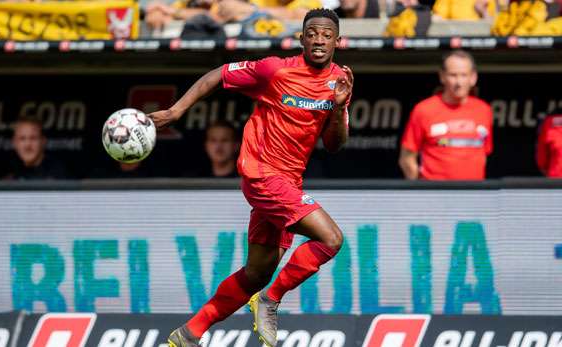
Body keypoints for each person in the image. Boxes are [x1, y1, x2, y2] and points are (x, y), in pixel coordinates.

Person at [149, 8, 352, 347]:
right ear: (301, 39)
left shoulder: (340, 83)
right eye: (312, 33)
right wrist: (175, 111)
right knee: (331, 239)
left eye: (326, 34)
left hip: (289, 182)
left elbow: (334, 145)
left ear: (337, 41)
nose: (319, 39)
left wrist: (337, 107)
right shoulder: (275, 70)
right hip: (262, 174)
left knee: (256, 272)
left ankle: (189, 333)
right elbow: (218, 74)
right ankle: (270, 301)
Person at [399, 50, 493, 180]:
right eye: (453, 75)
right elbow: (407, 159)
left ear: (473, 78)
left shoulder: (484, 110)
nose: (458, 82)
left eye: (464, 75)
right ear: (442, 76)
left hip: (473, 195)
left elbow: (483, 154)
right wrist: (420, 192)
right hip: (435, 195)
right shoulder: (424, 110)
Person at [536, 110, 562, 178]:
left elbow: (541, 160)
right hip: (556, 177)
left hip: (555, 179)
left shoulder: (548, 122)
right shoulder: (548, 122)